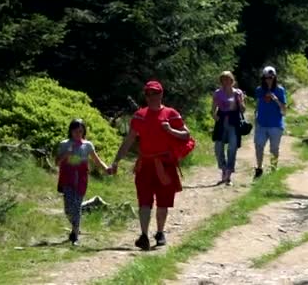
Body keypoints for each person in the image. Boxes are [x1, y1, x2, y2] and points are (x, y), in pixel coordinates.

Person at [108, 81, 192, 251]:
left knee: (163, 202)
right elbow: (129, 140)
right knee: (144, 201)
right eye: (148, 94)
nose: (151, 97)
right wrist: (116, 161)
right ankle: (144, 235)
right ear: (145, 96)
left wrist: (170, 130)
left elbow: (186, 135)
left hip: (165, 164)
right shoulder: (139, 116)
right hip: (145, 164)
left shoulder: (171, 114)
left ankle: (160, 232)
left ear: (161, 94)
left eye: (155, 93)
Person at [56, 119, 109, 245]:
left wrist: (106, 169)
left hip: (81, 180)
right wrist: (67, 153)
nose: (78, 133)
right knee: (68, 209)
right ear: (71, 131)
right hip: (67, 179)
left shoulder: (88, 145)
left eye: (80, 131)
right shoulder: (64, 144)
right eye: (75, 131)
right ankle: (75, 227)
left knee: (77, 205)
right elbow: (57, 162)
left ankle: (74, 234)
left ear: (84, 131)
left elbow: (97, 160)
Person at [212, 71, 246, 186]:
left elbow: (243, 109)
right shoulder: (218, 93)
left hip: (234, 121)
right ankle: (223, 169)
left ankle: (228, 174)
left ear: (232, 81)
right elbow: (213, 108)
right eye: (223, 80)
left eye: (228, 79)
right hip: (221, 121)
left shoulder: (238, 92)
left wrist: (240, 102)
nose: (226, 82)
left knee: (232, 148)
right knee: (218, 148)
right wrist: (214, 115)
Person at [254, 66, 287, 178]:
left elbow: (284, 109)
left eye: (271, 77)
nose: (269, 80)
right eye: (267, 77)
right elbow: (257, 104)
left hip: (275, 124)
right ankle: (259, 168)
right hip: (261, 123)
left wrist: (276, 99)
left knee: (274, 148)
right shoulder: (259, 90)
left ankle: (273, 168)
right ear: (263, 78)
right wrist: (256, 118)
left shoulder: (280, 90)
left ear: (275, 78)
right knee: (258, 145)